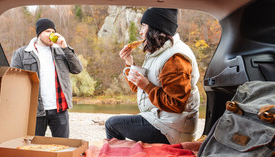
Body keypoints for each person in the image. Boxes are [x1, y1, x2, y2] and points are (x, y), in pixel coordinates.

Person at [105, 8, 200, 144]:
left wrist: (147, 86)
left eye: (144, 26)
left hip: (173, 129)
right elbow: (138, 88)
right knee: (117, 123)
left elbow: (176, 104)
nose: (140, 31)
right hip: (162, 120)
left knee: (112, 124)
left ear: (156, 28)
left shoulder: (176, 58)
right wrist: (129, 62)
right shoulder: (159, 52)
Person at [11, 18, 83, 138]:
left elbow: (77, 69)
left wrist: (65, 47)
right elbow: (13, 80)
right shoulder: (22, 53)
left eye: (53, 32)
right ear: (39, 34)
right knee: (34, 148)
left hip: (60, 109)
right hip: (35, 110)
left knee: (62, 147)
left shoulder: (61, 51)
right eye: (48, 31)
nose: (52, 34)